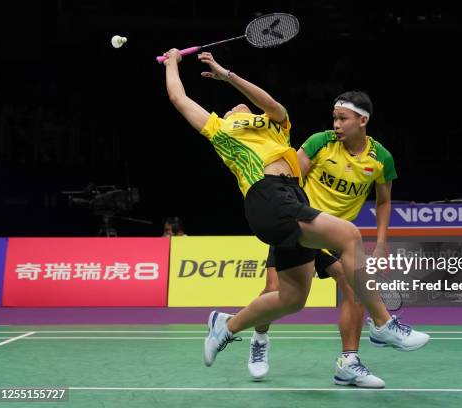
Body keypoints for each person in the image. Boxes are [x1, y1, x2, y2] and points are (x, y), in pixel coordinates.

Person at [162, 49, 429, 376]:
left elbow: (271, 104)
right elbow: (179, 98)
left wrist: (227, 76)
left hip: (290, 196)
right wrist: (173, 63)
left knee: (292, 297)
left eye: (241, 105)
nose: (236, 108)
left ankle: (226, 325)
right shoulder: (220, 130)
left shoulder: (274, 126)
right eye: (232, 109)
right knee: (350, 235)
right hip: (267, 195)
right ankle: (384, 324)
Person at [248, 91, 406, 388]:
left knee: (353, 287)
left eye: (342, 118)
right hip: (303, 225)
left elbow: (383, 201)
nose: (336, 124)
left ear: (363, 120)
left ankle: (348, 363)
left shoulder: (381, 158)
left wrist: (382, 243)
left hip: (336, 235)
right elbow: (288, 177)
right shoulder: (320, 142)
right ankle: (259, 337)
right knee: (274, 291)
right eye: (334, 118)